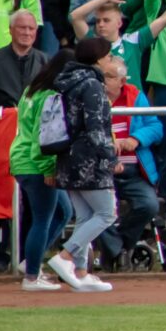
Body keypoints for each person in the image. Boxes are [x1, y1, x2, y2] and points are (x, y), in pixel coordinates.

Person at [45, 38, 121, 293]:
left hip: (68, 156)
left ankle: (80, 271)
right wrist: (110, 157)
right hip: (90, 159)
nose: (109, 61)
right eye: (108, 57)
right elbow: (95, 126)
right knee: (106, 213)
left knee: (86, 216)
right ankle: (66, 257)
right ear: (99, 59)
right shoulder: (92, 85)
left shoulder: (69, 82)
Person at [8, 50, 76, 290]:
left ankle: (30, 263)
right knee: (43, 219)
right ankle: (31, 276)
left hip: (22, 158)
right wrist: (49, 168)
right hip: (36, 162)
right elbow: (43, 135)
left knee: (63, 212)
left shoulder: (32, 89)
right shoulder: (50, 95)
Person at [94, 56, 166, 273]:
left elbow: (156, 127)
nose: (102, 80)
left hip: (134, 170)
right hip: (101, 172)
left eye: (108, 76)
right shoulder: (92, 98)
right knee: (98, 208)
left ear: (122, 81)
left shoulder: (135, 96)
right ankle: (120, 252)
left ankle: (117, 248)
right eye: (101, 75)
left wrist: (136, 139)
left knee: (149, 205)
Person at [0, 9, 49, 105]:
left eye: (31, 28)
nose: (27, 33)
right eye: (22, 28)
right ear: (11, 29)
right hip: (2, 118)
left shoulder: (46, 62)